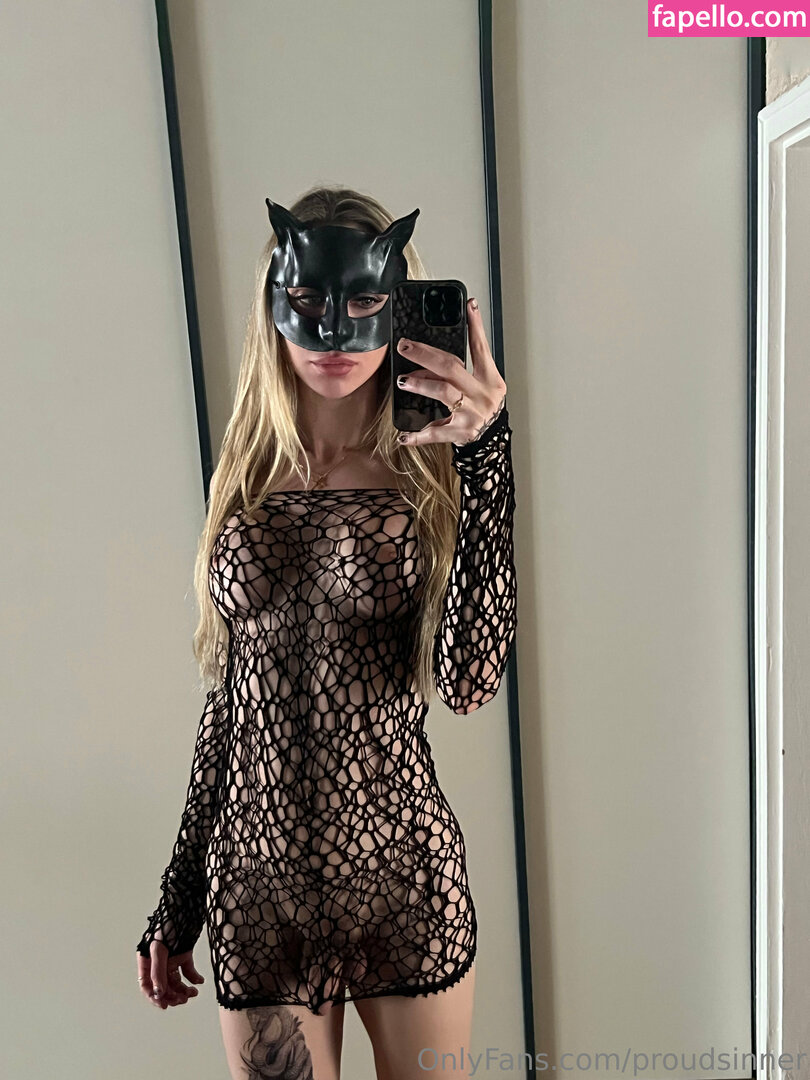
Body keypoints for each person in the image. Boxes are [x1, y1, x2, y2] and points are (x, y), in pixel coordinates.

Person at [135, 185, 517, 1079]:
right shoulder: (246, 476)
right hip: (258, 890)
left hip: (400, 878)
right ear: (274, 303)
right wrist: (180, 890)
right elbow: (232, 705)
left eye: (366, 302)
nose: (333, 333)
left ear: (400, 308)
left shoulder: (432, 475)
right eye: (307, 301)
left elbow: (468, 682)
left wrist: (486, 459)